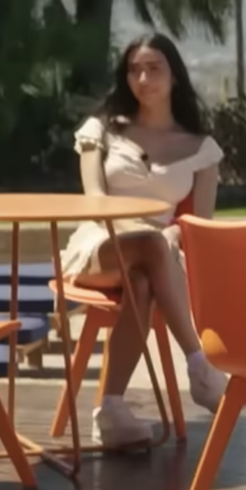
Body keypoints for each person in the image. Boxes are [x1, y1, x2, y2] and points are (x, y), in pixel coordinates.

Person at [65, 33, 230, 450]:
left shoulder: (202, 149)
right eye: (134, 70)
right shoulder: (101, 130)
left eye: (153, 69)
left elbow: (198, 223)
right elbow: (95, 199)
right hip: (100, 242)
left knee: (141, 281)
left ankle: (110, 411)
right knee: (150, 247)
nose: (142, 79)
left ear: (175, 76)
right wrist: (148, 235)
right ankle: (201, 367)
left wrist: (171, 233)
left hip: (157, 257)